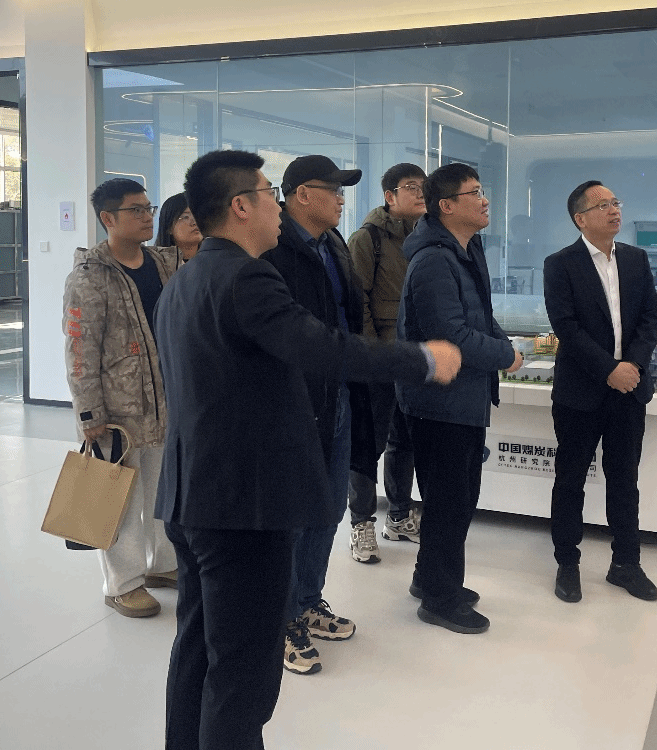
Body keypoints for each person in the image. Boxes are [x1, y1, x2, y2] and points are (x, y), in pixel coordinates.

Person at [154, 149, 461, 750]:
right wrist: (422, 359)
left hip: (193, 497)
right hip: (244, 507)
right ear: (241, 207)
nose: (278, 207)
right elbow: (322, 346)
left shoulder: (186, 278)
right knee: (244, 673)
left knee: (197, 650)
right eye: (269, 194)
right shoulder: (246, 277)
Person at [397, 163, 523, 635]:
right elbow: (449, 335)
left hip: (462, 398)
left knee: (456, 499)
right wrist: (505, 356)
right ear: (446, 206)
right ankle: (440, 599)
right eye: (474, 193)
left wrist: (504, 344)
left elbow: (480, 318)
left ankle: (428, 578)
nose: (485, 200)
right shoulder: (434, 261)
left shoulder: (465, 251)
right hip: (439, 402)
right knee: (450, 502)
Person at [260, 154, 365, 674]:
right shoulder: (273, 249)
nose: (342, 199)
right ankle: (280, 620)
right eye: (334, 190)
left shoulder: (333, 243)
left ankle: (306, 600)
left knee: (328, 504)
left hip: (337, 392)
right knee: (294, 513)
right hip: (296, 400)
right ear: (302, 194)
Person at [62, 177, 179, 617]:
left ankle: (163, 565)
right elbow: (80, 348)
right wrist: (88, 412)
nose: (148, 216)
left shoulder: (162, 264)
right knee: (122, 500)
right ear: (108, 218)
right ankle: (122, 584)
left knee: (163, 491)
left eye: (149, 208)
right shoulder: (90, 276)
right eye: (136, 210)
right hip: (117, 410)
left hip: (165, 402)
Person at [543, 180, 657, 604]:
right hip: (580, 392)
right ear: (581, 218)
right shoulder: (560, 264)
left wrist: (632, 367)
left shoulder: (635, 259)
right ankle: (567, 563)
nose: (614, 210)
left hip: (629, 390)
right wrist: (609, 369)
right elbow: (566, 327)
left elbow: (649, 318)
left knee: (625, 480)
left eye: (615, 202)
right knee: (570, 480)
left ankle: (626, 564)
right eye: (603, 205)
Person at [345, 163, 427, 564]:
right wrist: (372, 354)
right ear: (389, 196)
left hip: (412, 357)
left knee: (404, 440)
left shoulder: (426, 236)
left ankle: (399, 515)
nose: (420, 192)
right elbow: (356, 299)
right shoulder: (368, 238)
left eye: (423, 186)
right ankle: (361, 522)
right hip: (379, 359)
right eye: (411, 187)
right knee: (367, 443)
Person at [156, 191, 203, 262]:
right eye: (185, 217)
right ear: (169, 227)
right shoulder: (159, 264)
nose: (194, 222)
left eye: (197, 215)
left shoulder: (214, 259)